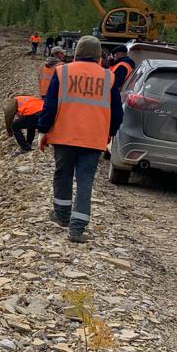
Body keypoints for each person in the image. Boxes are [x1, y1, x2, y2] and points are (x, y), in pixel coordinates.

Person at [37, 35, 123, 243]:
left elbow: (50, 106)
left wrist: (42, 129)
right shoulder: (108, 77)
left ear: (76, 54)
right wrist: (109, 132)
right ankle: (77, 229)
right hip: (93, 139)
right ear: (98, 56)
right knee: (85, 181)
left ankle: (62, 215)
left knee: (62, 175)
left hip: (64, 135)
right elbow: (117, 113)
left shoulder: (63, 72)